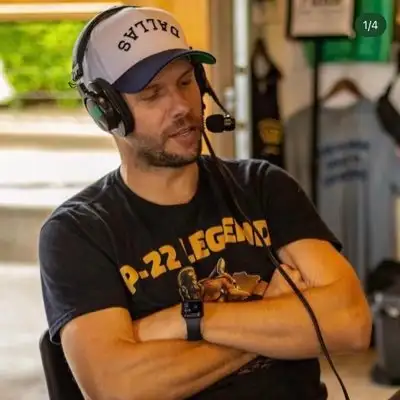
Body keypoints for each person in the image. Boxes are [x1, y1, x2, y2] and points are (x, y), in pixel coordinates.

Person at [38, 5, 372, 400]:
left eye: (186, 82)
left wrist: (190, 320)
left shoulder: (262, 186)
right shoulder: (78, 232)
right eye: (152, 94)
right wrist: (272, 312)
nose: (181, 106)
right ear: (106, 111)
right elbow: (119, 388)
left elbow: (351, 323)